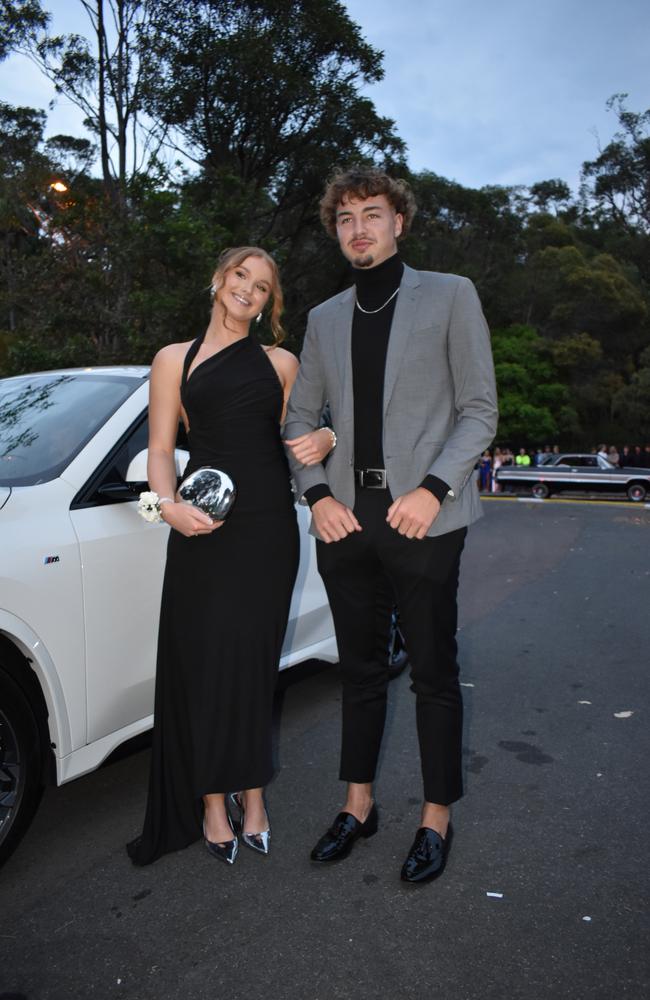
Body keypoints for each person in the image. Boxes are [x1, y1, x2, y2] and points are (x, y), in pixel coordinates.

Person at [284, 167, 498, 884]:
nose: (359, 230)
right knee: (360, 673)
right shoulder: (323, 318)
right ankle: (358, 804)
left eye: (372, 214)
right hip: (346, 520)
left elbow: (479, 411)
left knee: (434, 673)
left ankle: (436, 815)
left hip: (425, 519)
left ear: (398, 221)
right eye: (345, 219)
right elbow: (297, 419)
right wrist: (316, 495)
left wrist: (435, 489)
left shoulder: (451, 295)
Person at [127, 247, 333, 867]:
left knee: (251, 667)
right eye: (241, 276)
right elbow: (160, 450)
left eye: (263, 286)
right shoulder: (173, 360)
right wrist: (164, 509)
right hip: (199, 528)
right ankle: (213, 803)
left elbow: (311, 437)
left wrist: (328, 433)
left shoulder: (283, 362)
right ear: (218, 279)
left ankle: (254, 796)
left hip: (267, 532)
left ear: (270, 304)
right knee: (204, 668)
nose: (249, 289)